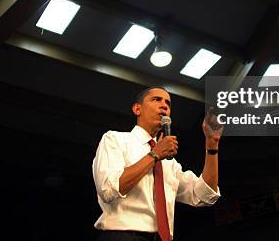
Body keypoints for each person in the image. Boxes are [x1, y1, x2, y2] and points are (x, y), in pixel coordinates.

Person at [92, 87, 223, 240]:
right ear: (137, 109)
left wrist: (212, 145)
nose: (164, 105)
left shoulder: (169, 163)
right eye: (156, 100)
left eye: (168, 103)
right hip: (123, 236)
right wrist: (154, 155)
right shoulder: (115, 139)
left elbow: (204, 195)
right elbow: (108, 189)